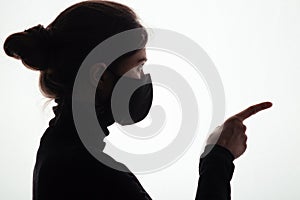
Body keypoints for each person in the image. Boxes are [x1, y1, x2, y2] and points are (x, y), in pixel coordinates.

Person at [3, 1, 272, 199]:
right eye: (138, 66)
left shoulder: (57, 148)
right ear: (100, 75)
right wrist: (219, 158)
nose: (144, 77)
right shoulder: (89, 170)